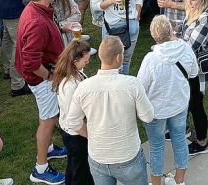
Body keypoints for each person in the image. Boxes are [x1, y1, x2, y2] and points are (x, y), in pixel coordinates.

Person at [63, 36, 154, 185]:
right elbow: (148, 117)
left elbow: (72, 121)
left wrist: (90, 135)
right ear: (119, 57)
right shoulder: (133, 84)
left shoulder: (84, 87)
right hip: (128, 157)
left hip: (98, 158)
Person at [15, 0, 69, 184]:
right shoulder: (36, 22)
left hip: (44, 76)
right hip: (42, 80)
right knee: (47, 121)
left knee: (48, 114)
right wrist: (51, 76)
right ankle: (40, 168)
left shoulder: (35, 9)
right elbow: (30, 62)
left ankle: (49, 148)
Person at [138, 15, 199, 185]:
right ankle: (180, 182)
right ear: (171, 30)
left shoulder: (150, 59)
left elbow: (140, 87)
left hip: (156, 111)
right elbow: (193, 74)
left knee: (157, 147)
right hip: (179, 105)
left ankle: (156, 183)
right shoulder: (186, 49)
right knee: (179, 140)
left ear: (154, 36)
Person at [181, 0, 208, 156]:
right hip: (190, 67)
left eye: (193, 0)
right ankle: (185, 129)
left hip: (198, 69)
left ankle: (202, 143)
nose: (189, 4)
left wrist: (174, 42)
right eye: (187, 0)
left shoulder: (205, 19)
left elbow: (190, 46)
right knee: (189, 101)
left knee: (196, 104)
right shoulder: (196, 11)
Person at [51, 40, 93, 185]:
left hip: (75, 132)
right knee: (82, 173)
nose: (87, 63)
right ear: (75, 60)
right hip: (76, 135)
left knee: (74, 166)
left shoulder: (76, 72)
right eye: (85, 60)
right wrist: (90, 135)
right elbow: (73, 120)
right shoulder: (69, 87)